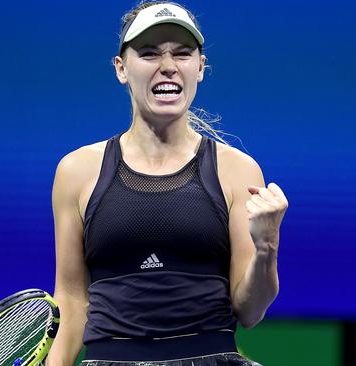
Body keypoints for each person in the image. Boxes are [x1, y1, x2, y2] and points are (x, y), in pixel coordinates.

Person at [47, 2, 288, 365]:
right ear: (121, 69)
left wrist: (267, 246)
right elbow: (71, 298)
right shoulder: (76, 171)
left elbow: (250, 311)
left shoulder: (238, 171)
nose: (169, 66)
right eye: (149, 54)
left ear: (200, 68)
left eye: (182, 54)